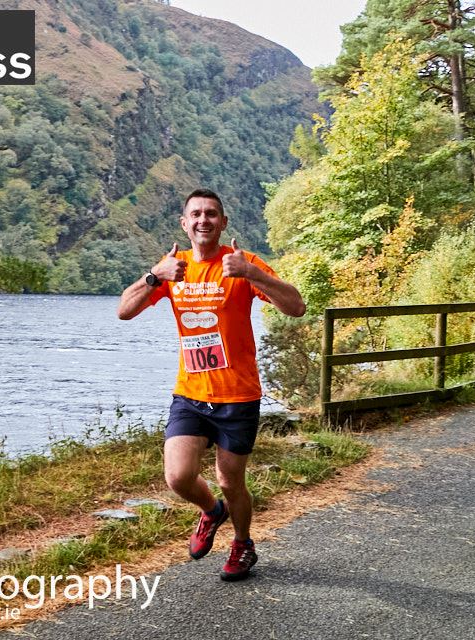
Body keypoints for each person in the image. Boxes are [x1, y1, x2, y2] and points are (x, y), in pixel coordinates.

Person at [117, 189, 305, 581]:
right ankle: (211, 511)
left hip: (238, 395)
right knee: (178, 476)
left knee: (229, 480)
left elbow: (295, 306)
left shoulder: (242, 263)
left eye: (212, 214)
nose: (204, 220)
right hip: (190, 394)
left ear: (223, 223)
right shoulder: (173, 267)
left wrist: (252, 273)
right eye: (196, 214)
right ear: (184, 224)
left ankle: (242, 543)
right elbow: (124, 310)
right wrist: (155, 277)